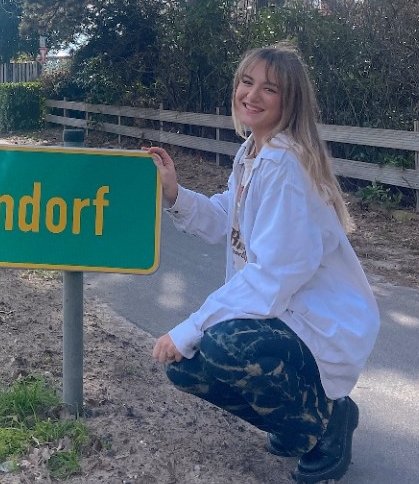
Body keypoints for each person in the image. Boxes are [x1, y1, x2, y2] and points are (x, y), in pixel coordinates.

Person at [146, 42, 379, 484]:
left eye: (268, 89)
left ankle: (329, 422)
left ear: (290, 101)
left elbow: (271, 277)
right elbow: (226, 218)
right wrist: (173, 193)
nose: (251, 95)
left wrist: (191, 326)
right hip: (286, 312)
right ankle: (296, 425)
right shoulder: (254, 152)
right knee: (188, 366)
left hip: (319, 323)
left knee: (222, 346)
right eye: (246, 82)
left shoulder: (285, 167)